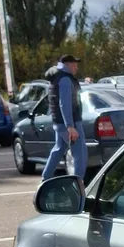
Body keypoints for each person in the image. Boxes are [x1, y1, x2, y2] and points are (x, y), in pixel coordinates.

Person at [41, 53, 87, 181]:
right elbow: (64, 104)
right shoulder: (65, 79)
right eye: (74, 65)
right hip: (70, 123)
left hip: (59, 122)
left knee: (59, 149)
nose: (76, 68)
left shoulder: (57, 77)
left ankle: (45, 179)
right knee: (80, 154)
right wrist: (70, 127)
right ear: (67, 65)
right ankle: (78, 184)